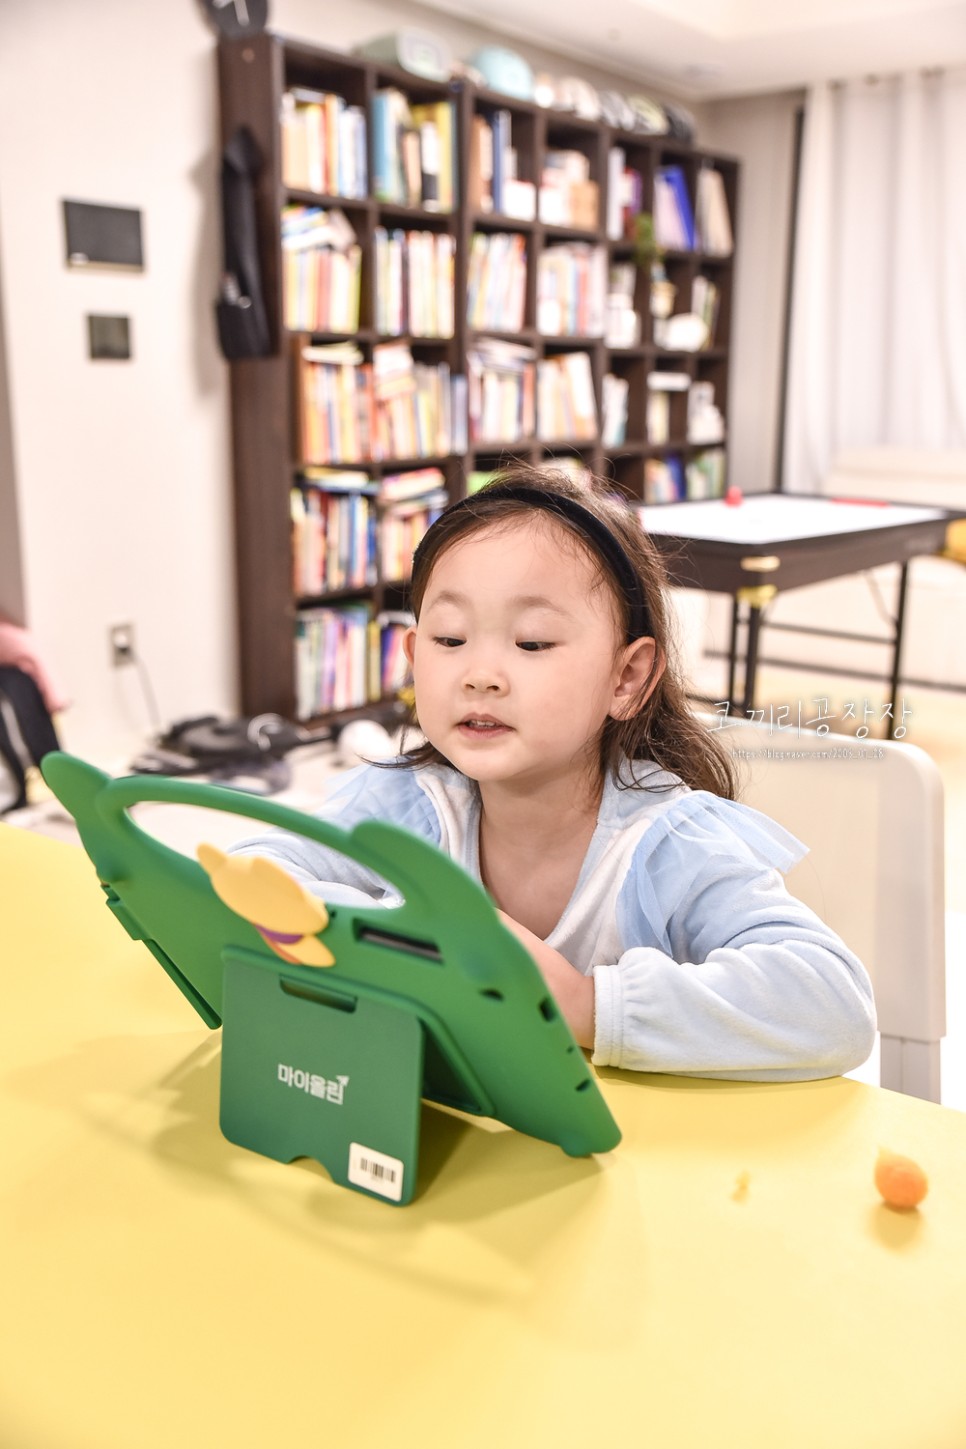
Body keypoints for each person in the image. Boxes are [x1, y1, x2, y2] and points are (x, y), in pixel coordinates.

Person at [231, 467, 876, 1081]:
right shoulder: (409, 801)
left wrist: (586, 1005)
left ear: (625, 678)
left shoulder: (666, 846)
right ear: (412, 657)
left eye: (532, 643)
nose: (479, 674)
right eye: (450, 639)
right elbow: (249, 875)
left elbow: (834, 1003)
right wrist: (397, 929)